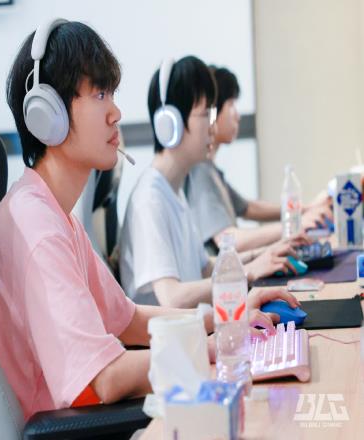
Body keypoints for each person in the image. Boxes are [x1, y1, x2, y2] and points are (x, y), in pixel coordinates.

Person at [0, 21, 299, 420]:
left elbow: (129, 320)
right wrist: (217, 347)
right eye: (100, 94)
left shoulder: (50, 213)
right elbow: (105, 378)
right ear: (47, 113)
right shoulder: (36, 227)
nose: (116, 113)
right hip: (69, 426)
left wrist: (229, 317)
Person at [119, 57, 305, 308]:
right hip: (178, 332)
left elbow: (205, 268)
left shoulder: (173, 191)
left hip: (199, 324)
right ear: (169, 124)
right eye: (206, 114)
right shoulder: (150, 201)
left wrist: (263, 255)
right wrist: (249, 272)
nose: (212, 127)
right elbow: (171, 297)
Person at [186, 66, 331, 253]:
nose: (237, 116)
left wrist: (306, 209)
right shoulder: (201, 172)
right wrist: (294, 226)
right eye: (231, 105)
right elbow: (227, 239)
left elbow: (249, 208)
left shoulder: (211, 171)